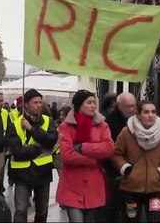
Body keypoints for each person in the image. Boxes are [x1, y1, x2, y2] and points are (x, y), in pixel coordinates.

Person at [112, 100, 160, 222]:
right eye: (146, 112)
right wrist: (125, 168)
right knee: (131, 219)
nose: (151, 115)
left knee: (155, 220)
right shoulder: (127, 132)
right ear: (138, 114)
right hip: (131, 189)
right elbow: (116, 154)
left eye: (153, 112)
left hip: (156, 189)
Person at [56, 90, 114, 222]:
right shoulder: (65, 127)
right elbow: (67, 155)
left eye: (94, 102)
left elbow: (109, 148)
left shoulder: (102, 125)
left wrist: (83, 147)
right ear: (79, 105)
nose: (93, 105)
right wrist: (94, 158)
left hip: (93, 185)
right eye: (89, 103)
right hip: (72, 185)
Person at [7, 89, 58, 223]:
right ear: (26, 105)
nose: (39, 105)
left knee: (42, 211)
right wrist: (39, 148)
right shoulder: (15, 125)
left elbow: (51, 141)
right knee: (21, 210)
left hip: (43, 172)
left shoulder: (48, 121)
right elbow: (17, 152)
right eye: (35, 102)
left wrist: (31, 129)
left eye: (40, 102)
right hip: (22, 173)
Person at [101, 92, 136, 222]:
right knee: (113, 206)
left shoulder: (136, 119)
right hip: (114, 172)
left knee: (131, 207)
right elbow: (111, 149)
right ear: (119, 105)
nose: (132, 109)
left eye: (133, 106)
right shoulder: (110, 121)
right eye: (129, 106)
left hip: (133, 172)